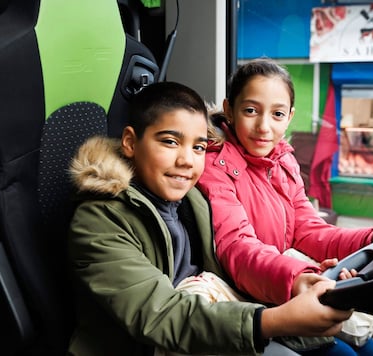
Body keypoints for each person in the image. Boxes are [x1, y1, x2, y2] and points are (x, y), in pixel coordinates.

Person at [66, 81, 355, 356]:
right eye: (169, 142)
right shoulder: (99, 220)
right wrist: (273, 320)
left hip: (210, 322)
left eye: (199, 147)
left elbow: (239, 253)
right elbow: (162, 314)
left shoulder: (194, 200)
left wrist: (304, 274)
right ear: (130, 142)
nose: (187, 161)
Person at [196, 58, 373, 355]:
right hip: (247, 297)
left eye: (277, 114)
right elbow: (237, 247)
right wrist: (297, 278)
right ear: (229, 109)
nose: (264, 127)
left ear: (290, 116)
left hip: (277, 283)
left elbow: (308, 230)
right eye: (250, 111)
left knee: (369, 348)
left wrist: (368, 239)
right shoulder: (213, 165)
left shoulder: (283, 161)